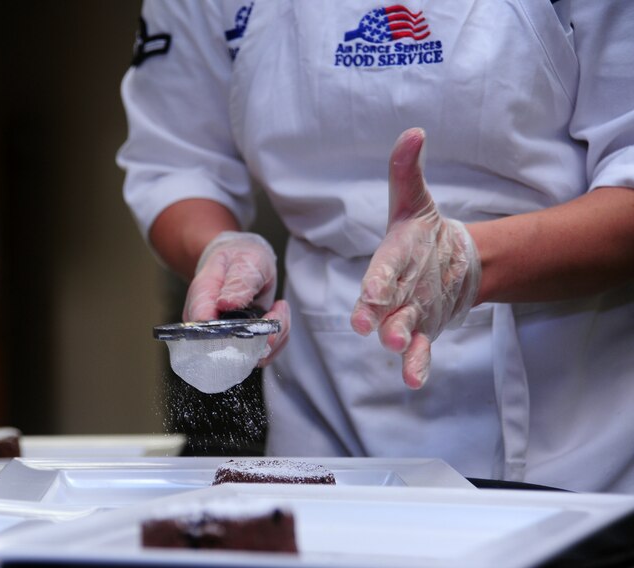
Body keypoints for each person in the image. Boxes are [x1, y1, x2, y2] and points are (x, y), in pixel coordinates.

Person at [117, 0, 634, 493]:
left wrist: (466, 260)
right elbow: (179, 163)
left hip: (573, 420)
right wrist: (219, 250)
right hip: (321, 403)